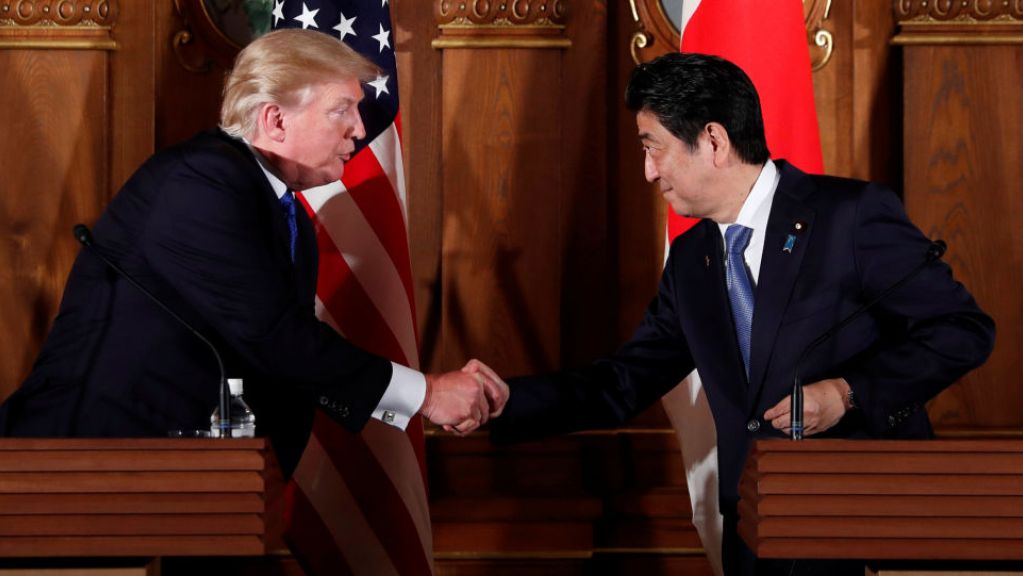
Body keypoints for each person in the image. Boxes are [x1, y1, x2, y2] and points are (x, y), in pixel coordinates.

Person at [488, 52, 995, 576]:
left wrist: (848, 393)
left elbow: (962, 329)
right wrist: (504, 401)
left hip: (859, 525)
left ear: (713, 140)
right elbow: (624, 382)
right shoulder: (692, 261)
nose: (648, 171)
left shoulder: (849, 216)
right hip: (755, 535)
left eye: (653, 148)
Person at [0, 28, 506, 477]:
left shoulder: (280, 208)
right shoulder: (202, 181)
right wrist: (427, 394)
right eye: (341, 110)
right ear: (275, 120)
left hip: (189, 471)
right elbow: (277, 337)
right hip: (87, 463)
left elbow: (273, 352)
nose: (358, 128)